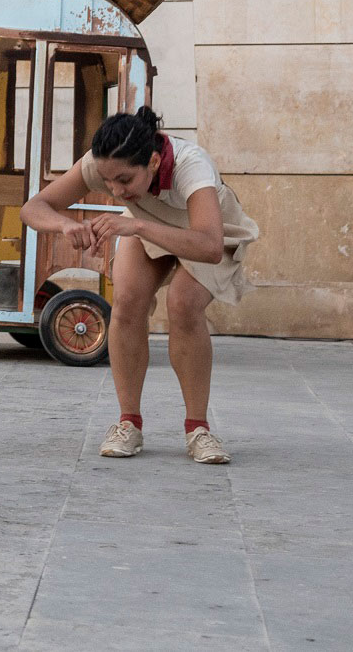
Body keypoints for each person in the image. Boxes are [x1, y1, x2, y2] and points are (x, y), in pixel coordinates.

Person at [19, 107, 260, 465]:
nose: (115, 189)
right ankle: (128, 423)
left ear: (152, 160)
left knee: (183, 303)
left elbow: (209, 247)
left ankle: (198, 429)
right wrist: (64, 225)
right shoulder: (103, 164)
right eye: (108, 180)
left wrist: (136, 227)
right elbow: (34, 207)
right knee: (127, 301)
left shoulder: (191, 166)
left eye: (125, 180)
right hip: (146, 225)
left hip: (209, 233)